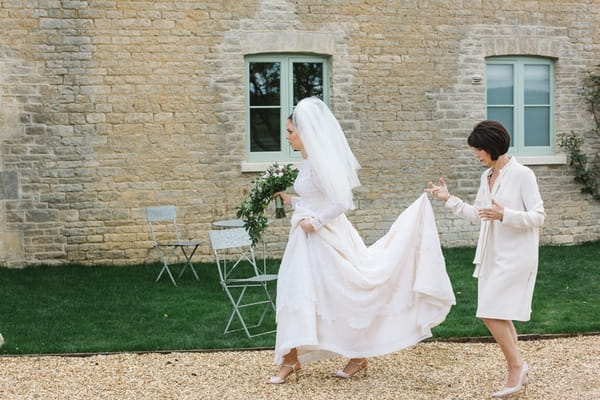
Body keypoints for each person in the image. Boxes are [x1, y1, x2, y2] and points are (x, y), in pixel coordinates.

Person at [267, 97, 456, 384]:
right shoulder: (306, 162)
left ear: (305, 133)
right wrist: (291, 200)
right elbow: (316, 198)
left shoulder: (318, 163)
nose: (287, 136)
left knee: (340, 295)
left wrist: (315, 223)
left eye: (291, 131)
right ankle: (290, 358)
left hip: (324, 238)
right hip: (305, 241)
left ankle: (357, 354)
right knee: (297, 292)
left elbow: (342, 201)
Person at [426, 120, 545, 398]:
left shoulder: (522, 175)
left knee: (490, 313)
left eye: (479, 150)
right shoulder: (487, 177)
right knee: (499, 312)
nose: (476, 155)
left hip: (516, 256)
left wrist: (507, 215)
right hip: (491, 255)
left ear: (493, 147)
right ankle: (519, 367)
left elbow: (539, 217)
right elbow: (478, 213)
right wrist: (448, 198)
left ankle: (516, 368)